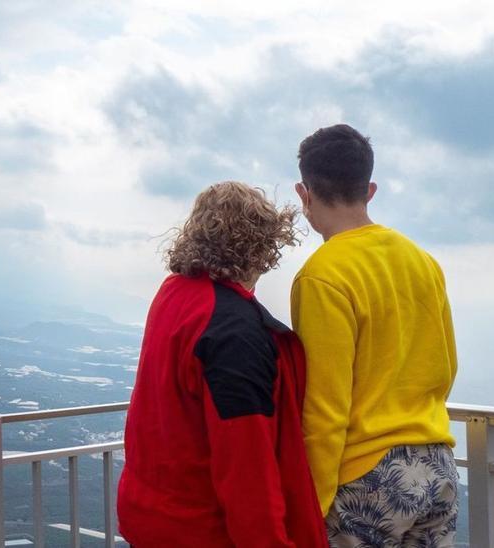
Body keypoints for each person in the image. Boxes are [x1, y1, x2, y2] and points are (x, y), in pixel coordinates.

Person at [118, 181, 327, 547]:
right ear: (261, 249)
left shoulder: (174, 293)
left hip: (149, 517)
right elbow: (247, 467)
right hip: (201, 530)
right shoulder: (232, 332)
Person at [290, 125, 460, 547]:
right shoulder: (423, 262)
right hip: (436, 466)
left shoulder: (323, 275)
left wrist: (309, 506)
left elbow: (325, 407)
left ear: (304, 194)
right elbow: (447, 367)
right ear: (370, 189)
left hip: (366, 478)